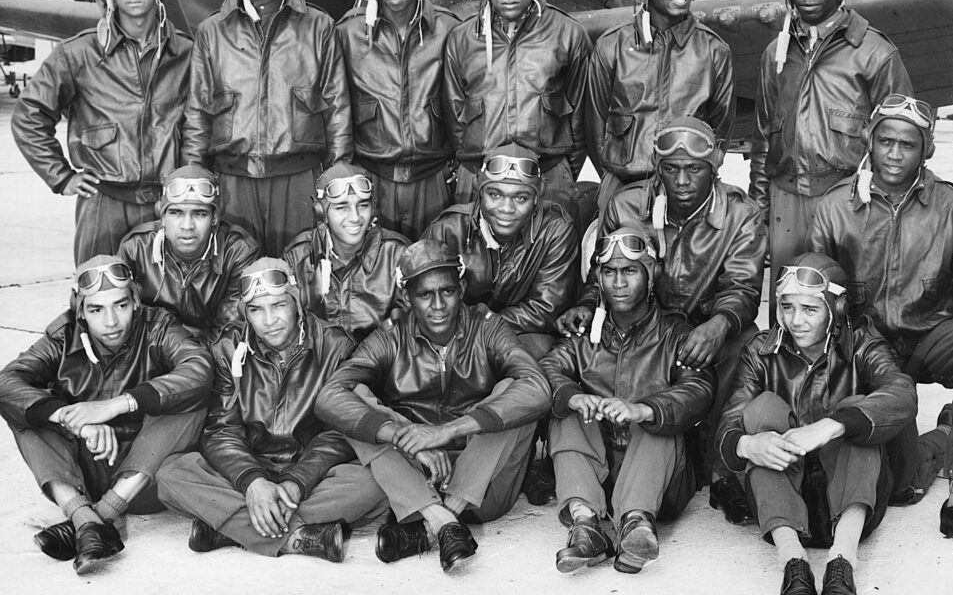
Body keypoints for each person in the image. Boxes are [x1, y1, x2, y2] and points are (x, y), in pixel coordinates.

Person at [809, 94, 953, 555]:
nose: (895, 154)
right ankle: (951, 433)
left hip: (930, 332)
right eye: (886, 141)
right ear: (869, 139)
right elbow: (816, 285)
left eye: (908, 144)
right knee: (901, 484)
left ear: (927, 149)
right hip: (869, 346)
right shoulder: (834, 206)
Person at [559, 116, 766, 523]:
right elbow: (605, 265)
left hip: (706, 324)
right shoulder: (626, 204)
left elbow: (743, 289)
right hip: (643, 324)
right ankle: (604, 460)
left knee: (745, 348)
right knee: (580, 344)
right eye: (671, 170)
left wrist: (720, 323)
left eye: (695, 170)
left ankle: (722, 471)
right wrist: (587, 301)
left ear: (717, 165)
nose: (683, 181)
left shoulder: (743, 214)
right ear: (656, 165)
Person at [314, 240, 551, 573]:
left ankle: (438, 519)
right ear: (407, 297)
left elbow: (539, 389)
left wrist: (447, 431)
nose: (438, 305)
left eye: (448, 292)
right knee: (357, 397)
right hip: (417, 476)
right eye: (425, 295)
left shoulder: (486, 327)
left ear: (462, 288)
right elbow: (329, 395)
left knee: (514, 391)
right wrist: (404, 438)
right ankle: (443, 524)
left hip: (484, 489)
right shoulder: (390, 336)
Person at [157, 258, 387, 561]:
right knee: (170, 474)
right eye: (256, 310)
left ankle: (232, 528)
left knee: (374, 482)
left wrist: (297, 482)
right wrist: (253, 482)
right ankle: (297, 537)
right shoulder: (227, 347)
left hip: (313, 471)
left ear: (296, 301)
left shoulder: (335, 344)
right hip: (247, 468)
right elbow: (222, 429)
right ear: (245, 313)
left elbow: (338, 431)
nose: (269, 320)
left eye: (278, 306)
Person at [716, 254, 916, 595]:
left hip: (852, 485)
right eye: (788, 307)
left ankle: (842, 563)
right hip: (788, 489)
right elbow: (731, 418)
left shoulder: (862, 344)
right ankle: (793, 563)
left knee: (855, 411)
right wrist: (747, 445)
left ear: (835, 310)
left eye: (810, 309)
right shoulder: (760, 351)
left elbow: (902, 393)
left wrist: (832, 426)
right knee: (762, 412)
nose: (796, 321)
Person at [0, 256, 212, 575]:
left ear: (136, 302)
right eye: (97, 309)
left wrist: (117, 405)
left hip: (143, 480)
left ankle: (90, 519)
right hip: (84, 471)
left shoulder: (160, 326)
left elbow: (199, 368)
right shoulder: (64, 334)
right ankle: (92, 522)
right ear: (81, 311)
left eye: (121, 305)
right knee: (26, 410)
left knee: (190, 399)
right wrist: (74, 420)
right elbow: (7, 382)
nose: (110, 321)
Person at [748, 0, 911, 315]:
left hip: (847, 202)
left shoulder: (874, 52)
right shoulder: (774, 54)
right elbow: (761, 139)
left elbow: (903, 138)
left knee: (850, 310)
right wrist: (759, 210)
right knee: (790, 311)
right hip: (784, 200)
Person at [542, 226, 715, 575]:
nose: (618, 282)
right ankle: (585, 525)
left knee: (659, 418)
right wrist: (574, 397)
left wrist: (644, 408)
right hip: (600, 476)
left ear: (651, 275)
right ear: (598, 279)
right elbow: (549, 367)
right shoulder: (585, 335)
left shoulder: (675, 334)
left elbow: (700, 388)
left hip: (659, 482)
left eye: (630, 271)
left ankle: (637, 525)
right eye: (609, 272)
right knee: (566, 410)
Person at [12, 0, 191, 263]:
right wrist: (61, 176)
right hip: (103, 203)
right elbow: (28, 115)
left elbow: (202, 125)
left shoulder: (186, 54)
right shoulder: (79, 53)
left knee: (168, 306)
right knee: (99, 296)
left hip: (167, 203)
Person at [181, 0, 352, 256]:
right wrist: (192, 183)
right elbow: (197, 115)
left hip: (299, 180)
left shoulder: (318, 27)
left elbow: (338, 110)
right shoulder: (212, 32)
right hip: (233, 182)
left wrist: (339, 180)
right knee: (237, 281)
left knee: (300, 276)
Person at [443, 0, 589, 218]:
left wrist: (561, 175)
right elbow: (454, 119)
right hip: (479, 179)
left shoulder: (568, 34)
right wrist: (473, 170)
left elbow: (581, 120)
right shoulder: (462, 40)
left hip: (548, 178)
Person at [586, 0, 734, 209]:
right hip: (623, 186)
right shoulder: (610, 46)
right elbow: (594, 128)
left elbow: (721, 128)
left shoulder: (714, 50)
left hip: (688, 192)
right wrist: (613, 177)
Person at [337, 0, 460, 239]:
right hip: (373, 179)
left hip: (434, 181)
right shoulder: (348, 33)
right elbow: (336, 110)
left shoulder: (449, 30)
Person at [423, 144, 578, 361]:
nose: (506, 208)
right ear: (480, 192)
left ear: (536, 199)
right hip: (455, 335)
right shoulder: (447, 229)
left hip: (516, 333)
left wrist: (479, 326)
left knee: (538, 353)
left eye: (521, 198)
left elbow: (545, 308)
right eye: (494, 194)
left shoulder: (555, 230)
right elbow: (422, 299)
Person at [117, 165, 260, 341]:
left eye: (200, 214)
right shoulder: (135, 249)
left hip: (215, 353)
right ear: (162, 217)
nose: (187, 226)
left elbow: (230, 331)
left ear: (214, 218)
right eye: (176, 213)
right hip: (154, 348)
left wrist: (193, 360)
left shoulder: (238, 251)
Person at [283, 163, 409, 342]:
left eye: (363, 206)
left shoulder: (396, 255)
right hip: (320, 364)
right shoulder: (298, 258)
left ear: (373, 209)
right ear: (321, 213)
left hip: (379, 362)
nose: (355, 217)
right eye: (341, 207)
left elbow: (409, 333)